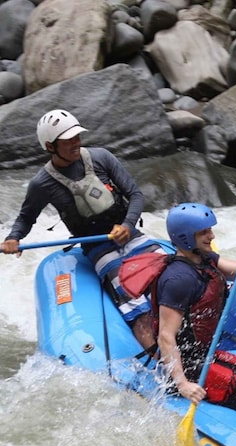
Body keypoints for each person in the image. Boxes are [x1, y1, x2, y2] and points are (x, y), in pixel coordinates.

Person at [1, 109, 162, 351]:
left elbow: (135, 195)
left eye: (77, 137)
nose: (76, 143)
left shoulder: (101, 158)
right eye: (68, 141)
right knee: (136, 305)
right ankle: (164, 365)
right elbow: (26, 218)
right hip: (98, 246)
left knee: (175, 277)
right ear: (50, 146)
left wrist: (127, 225)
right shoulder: (41, 184)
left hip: (133, 236)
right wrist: (13, 238)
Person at [134, 203, 236, 431]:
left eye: (210, 229)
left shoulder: (206, 259)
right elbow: (165, 336)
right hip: (187, 363)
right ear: (184, 237)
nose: (211, 235)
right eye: (204, 232)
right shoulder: (178, 279)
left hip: (204, 352)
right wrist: (182, 383)